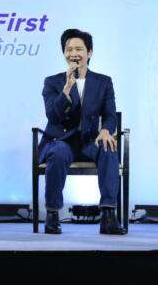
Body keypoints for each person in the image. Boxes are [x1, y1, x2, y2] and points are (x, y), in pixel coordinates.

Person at [38, 28, 126, 235]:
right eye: (69, 49)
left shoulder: (103, 82)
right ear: (64, 53)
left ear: (89, 52)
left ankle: (108, 215)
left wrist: (106, 130)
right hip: (61, 141)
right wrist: (67, 88)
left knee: (109, 147)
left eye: (79, 49)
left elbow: (110, 114)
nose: (73, 53)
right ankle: (52, 214)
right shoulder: (52, 82)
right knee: (58, 152)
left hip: (89, 142)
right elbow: (53, 116)